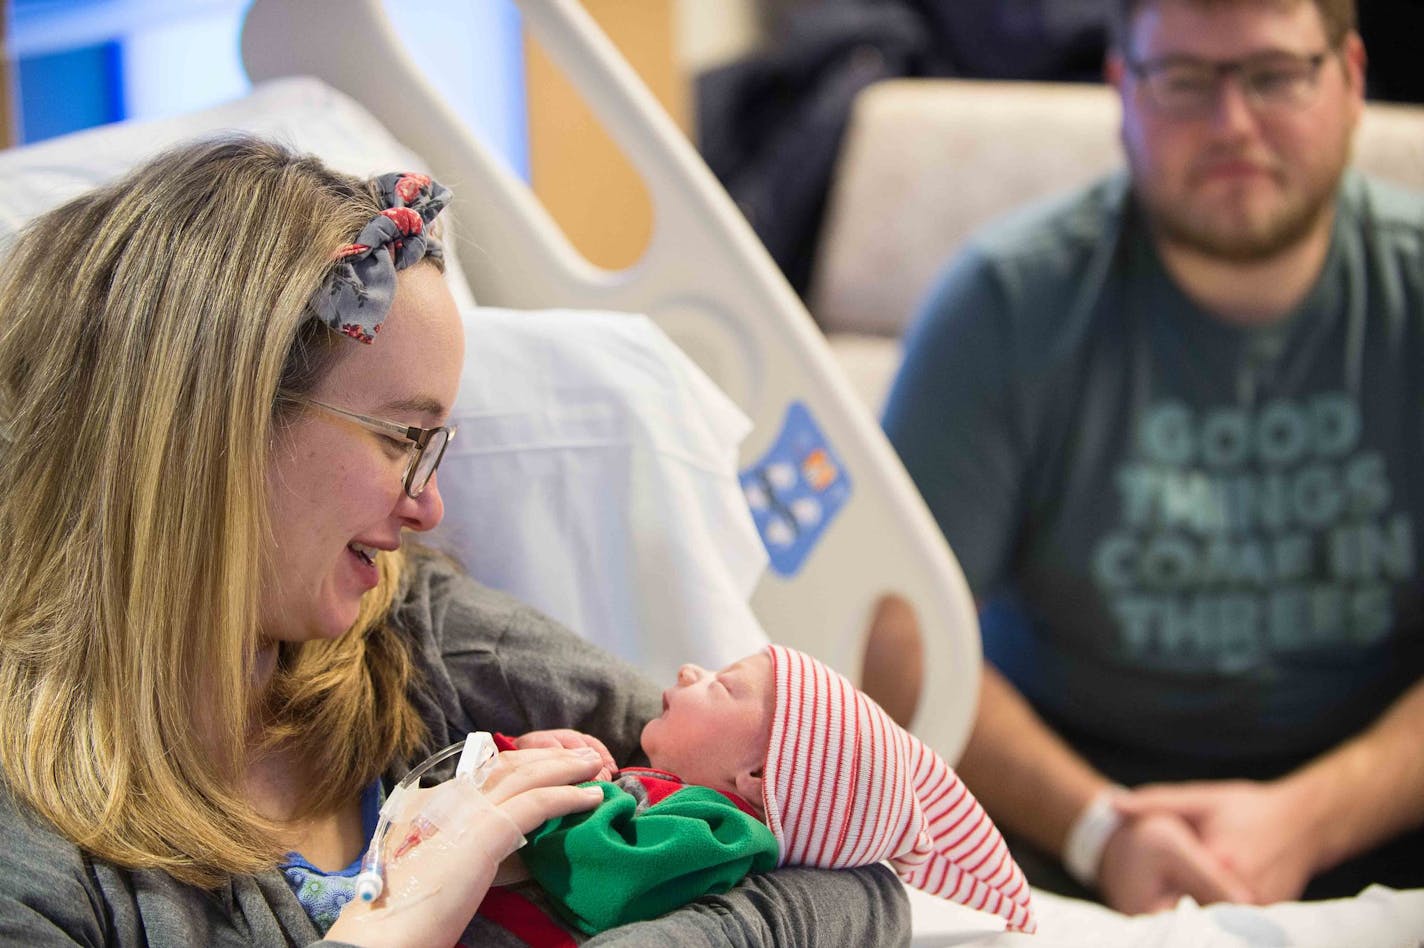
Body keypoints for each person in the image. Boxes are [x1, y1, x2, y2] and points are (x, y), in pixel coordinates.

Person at [0, 135, 910, 946]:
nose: (428, 510)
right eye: (402, 437)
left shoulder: (419, 644)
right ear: (215, 425)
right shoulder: (38, 852)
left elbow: (851, 882)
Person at [882, 0, 1424, 916]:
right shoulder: (1004, 305)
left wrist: (1311, 818)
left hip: (1385, 807)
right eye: (1182, 79)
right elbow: (895, 641)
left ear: (1352, 79)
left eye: (1276, 75)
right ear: (1120, 88)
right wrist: (1101, 830)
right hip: (1057, 824)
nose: (1233, 124)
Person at [508, 644, 1035, 936]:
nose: (692, 669)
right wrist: (523, 752)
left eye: (724, 684)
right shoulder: (667, 795)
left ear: (757, 777)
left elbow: (603, 877)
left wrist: (561, 788)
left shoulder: (718, 832)